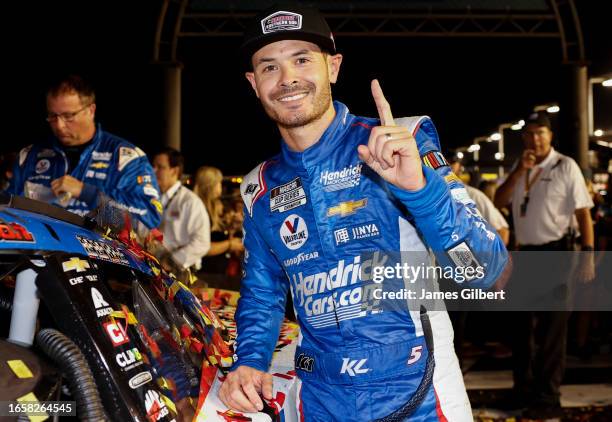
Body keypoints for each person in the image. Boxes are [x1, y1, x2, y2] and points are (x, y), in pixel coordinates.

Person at [218, 4, 510, 420]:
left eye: (302, 59)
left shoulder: (400, 139)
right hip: (320, 400)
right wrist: (250, 360)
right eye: (269, 67)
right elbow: (263, 293)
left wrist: (420, 191)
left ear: (333, 67)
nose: (288, 79)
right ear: (253, 82)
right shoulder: (258, 186)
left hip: (422, 396)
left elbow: (486, 271)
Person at [494, 111, 595, 418]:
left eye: (541, 133)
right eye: (530, 134)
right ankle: (522, 390)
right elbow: (499, 199)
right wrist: (517, 172)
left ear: (550, 136)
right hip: (525, 256)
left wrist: (587, 254)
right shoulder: (519, 166)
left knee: (552, 331)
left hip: (557, 255)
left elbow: (583, 214)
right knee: (521, 329)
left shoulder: (565, 166)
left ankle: (548, 397)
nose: (535, 139)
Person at [6, 74, 161, 229]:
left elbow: (147, 222)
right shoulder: (29, 156)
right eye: (53, 116)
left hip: (100, 252)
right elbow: (8, 212)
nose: (59, 125)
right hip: (39, 251)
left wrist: (88, 193)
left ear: (91, 110)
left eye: (68, 116)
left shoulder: (125, 157)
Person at [152, 147, 211, 274]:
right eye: (153, 166)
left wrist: (171, 261)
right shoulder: (153, 197)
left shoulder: (189, 201)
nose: (153, 170)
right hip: (153, 266)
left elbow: (202, 242)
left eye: (160, 167)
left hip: (179, 272)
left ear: (174, 170)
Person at [193, 166, 243, 277]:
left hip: (217, 270)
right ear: (210, 186)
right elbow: (203, 248)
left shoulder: (215, 206)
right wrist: (230, 244)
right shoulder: (200, 210)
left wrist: (232, 227)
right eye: (219, 183)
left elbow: (216, 235)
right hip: (205, 273)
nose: (221, 187)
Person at [449, 157, 509, 245]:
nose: (446, 166)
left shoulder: (474, 195)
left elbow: (502, 230)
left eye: (451, 162)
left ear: (459, 167)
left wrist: (496, 257)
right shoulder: (428, 196)